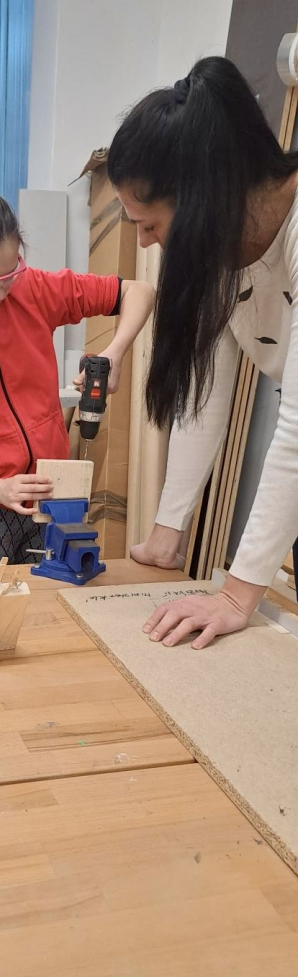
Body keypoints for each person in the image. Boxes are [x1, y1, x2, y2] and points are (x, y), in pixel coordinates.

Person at [106, 55, 298, 649]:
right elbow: (204, 390)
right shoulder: (220, 247)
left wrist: (237, 595)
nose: (145, 242)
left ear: (201, 195)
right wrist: (169, 528)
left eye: (150, 223)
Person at [0, 187, 154, 567]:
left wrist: (114, 353)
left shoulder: (31, 290)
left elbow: (138, 291)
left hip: (54, 490)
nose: (1, 292)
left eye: (9, 273)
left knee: (55, 591)